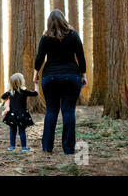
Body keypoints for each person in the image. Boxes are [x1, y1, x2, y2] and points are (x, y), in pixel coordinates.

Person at [33, 9, 88, 155]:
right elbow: (81, 56)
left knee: (51, 111)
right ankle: (69, 149)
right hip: (71, 77)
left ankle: (47, 147)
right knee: (68, 111)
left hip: (50, 78)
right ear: (64, 20)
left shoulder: (45, 37)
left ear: (49, 22)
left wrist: (35, 74)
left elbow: (39, 57)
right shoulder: (73, 35)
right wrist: (84, 75)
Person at [1, 73, 39, 152]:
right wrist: (36, 84)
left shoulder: (10, 92)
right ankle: (24, 148)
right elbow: (35, 93)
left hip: (12, 115)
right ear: (21, 82)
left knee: (12, 131)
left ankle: (12, 146)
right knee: (22, 131)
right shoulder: (24, 92)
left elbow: (3, 97)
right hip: (22, 115)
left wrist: (8, 100)